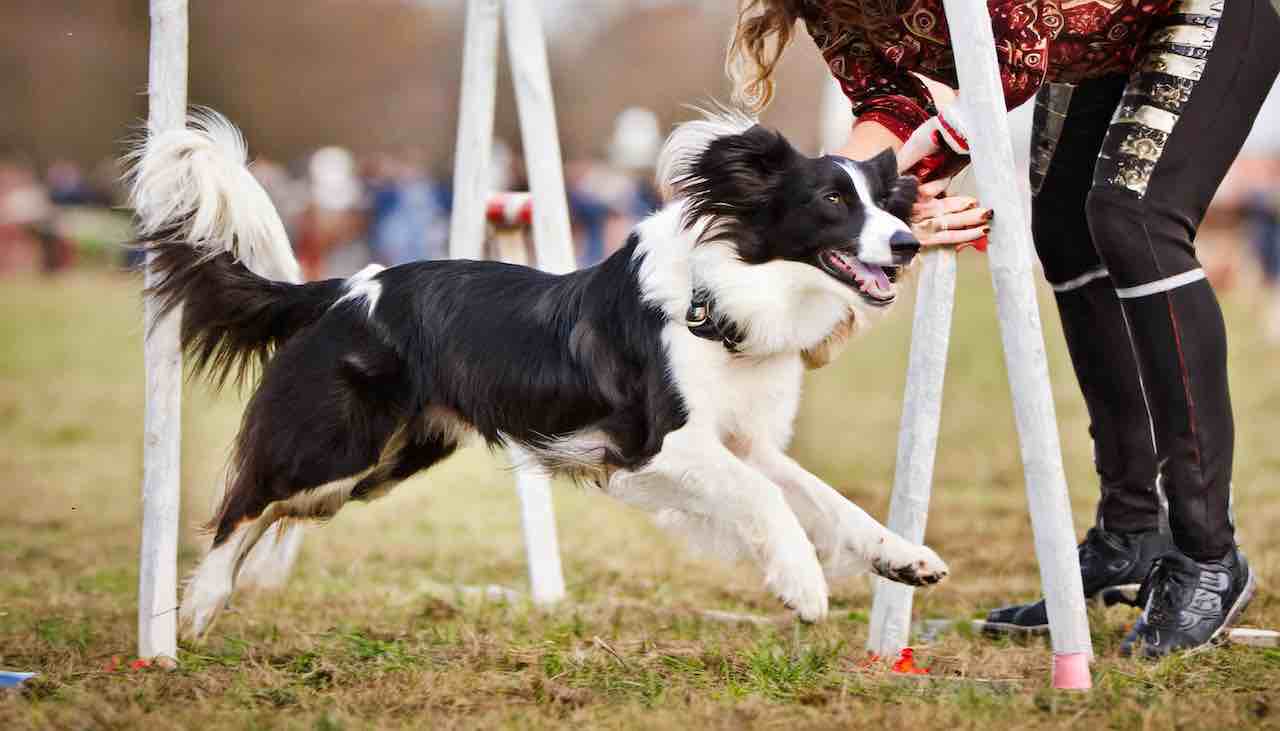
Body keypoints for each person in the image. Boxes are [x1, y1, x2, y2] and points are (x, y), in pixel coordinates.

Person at [729, 0, 1280, 656]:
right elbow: (888, 104)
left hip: (1202, 14)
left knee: (1132, 217)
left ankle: (1209, 555)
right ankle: (1131, 532)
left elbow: (1012, 61)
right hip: (1092, 56)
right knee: (1066, 233)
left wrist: (911, 177)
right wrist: (827, 204)